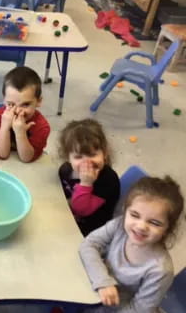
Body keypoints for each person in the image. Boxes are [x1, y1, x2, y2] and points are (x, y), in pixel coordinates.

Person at [79, 176, 184, 313]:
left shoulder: (160, 270)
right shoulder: (119, 225)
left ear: (167, 229)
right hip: (96, 291)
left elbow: (139, 309)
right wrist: (103, 282)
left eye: (154, 223)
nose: (141, 226)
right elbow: (88, 244)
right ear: (125, 211)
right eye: (135, 215)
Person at [58, 118, 120, 236]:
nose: (87, 162)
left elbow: (81, 210)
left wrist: (86, 184)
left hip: (90, 231)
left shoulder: (108, 179)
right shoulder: (65, 170)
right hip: (66, 218)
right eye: (78, 157)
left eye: (92, 155)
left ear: (105, 153)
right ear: (68, 158)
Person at [0, 66, 50, 162]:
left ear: (39, 101)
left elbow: (27, 158)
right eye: (11, 104)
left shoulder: (41, 126)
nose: (18, 111)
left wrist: (20, 133)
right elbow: (2, 154)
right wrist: (4, 127)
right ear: (4, 99)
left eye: (25, 104)